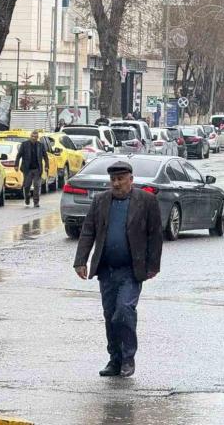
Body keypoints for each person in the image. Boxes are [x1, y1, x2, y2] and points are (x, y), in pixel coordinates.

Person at [73, 161, 163, 378]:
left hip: (131, 270)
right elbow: (88, 231)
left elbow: (155, 235)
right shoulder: (101, 201)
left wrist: (153, 265)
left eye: (121, 179)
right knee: (110, 315)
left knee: (124, 311)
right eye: (113, 180)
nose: (116, 183)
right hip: (106, 270)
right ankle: (115, 360)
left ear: (131, 180)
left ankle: (128, 358)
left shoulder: (146, 201)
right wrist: (80, 261)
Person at [14, 130, 50, 208]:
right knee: (27, 185)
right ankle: (27, 198)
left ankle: (36, 202)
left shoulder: (40, 145)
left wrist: (46, 166)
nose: (34, 138)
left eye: (35, 137)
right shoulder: (24, 144)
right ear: (30, 136)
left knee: (37, 185)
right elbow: (19, 155)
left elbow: (45, 156)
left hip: (37, 169)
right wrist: (16, 165)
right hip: (27, 169)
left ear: (37, 138)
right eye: (32, 136)